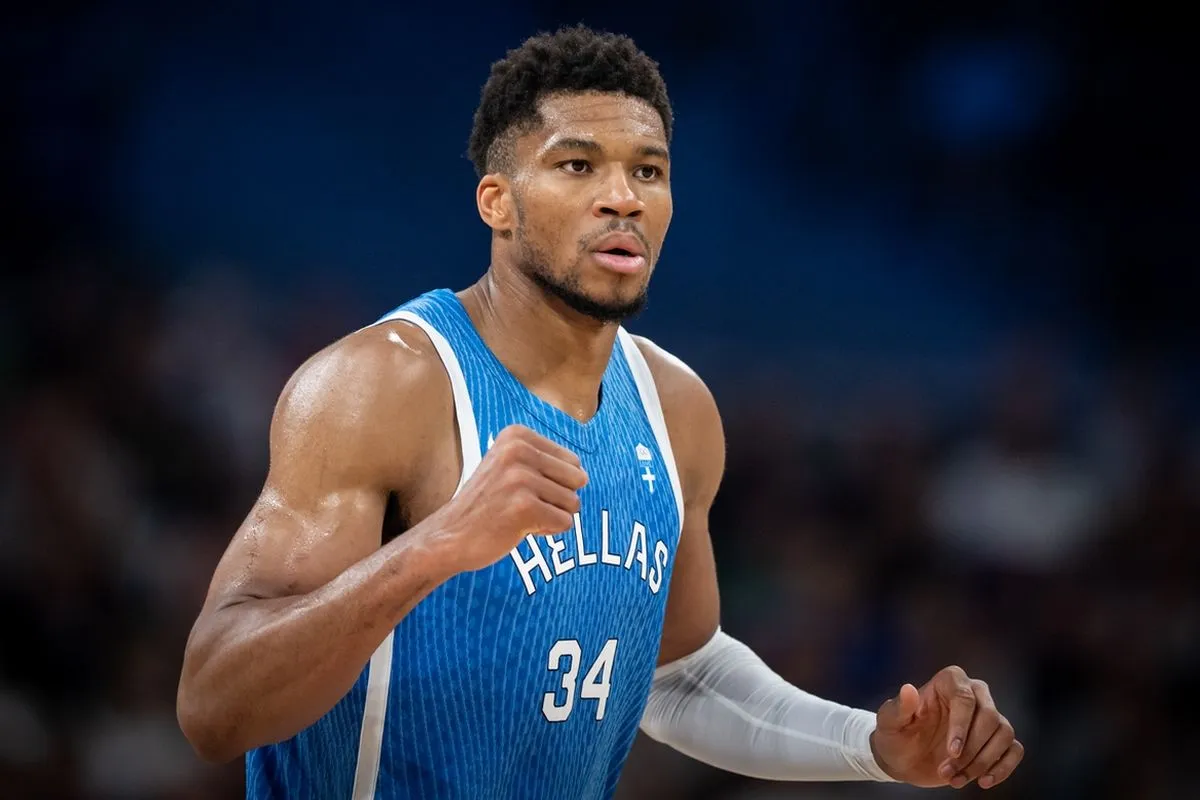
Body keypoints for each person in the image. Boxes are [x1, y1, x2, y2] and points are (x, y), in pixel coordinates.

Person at [177, 24, 1024, 799]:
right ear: (497, 202)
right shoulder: (383, 385)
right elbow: (214, 707)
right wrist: (431, 550)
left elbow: (683, 678)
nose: (624, 197)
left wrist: (867, 746)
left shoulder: (677, 409)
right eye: (578, 166)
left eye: (647, 171)